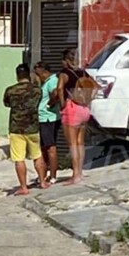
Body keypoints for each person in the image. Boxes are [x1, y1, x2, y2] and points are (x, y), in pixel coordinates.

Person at [3, 64, 49, 195]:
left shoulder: (10, 90)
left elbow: (6, 103)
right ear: (29, 74)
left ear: (17, 76)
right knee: (37, 156)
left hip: (16, 128)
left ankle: (23, 187)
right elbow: (39, 101)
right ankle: (42, 182)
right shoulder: (37, 90)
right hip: (33, 126)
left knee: (19, 159)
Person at [57, 48, 99, 185]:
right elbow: (96, 87)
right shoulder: (83, 72)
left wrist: (63, 104)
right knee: (80, 143)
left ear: (65, 61)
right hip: (84, 109)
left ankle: (75, 175)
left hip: (71, 109)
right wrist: (88, 100)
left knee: (72, 144)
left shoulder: (64, 73)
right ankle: (80, 173)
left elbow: (59, 88)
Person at [34, 61, 60, 183]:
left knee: (50, 147)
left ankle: (53, 175)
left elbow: (56, 92)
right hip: (43, 118)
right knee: (44, 147)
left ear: (44, 72)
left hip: (48, 118)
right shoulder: (45, 83)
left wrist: (50, 104)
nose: (37, 76)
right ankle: (44, 174)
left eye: (38, 74)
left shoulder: (52, 81)